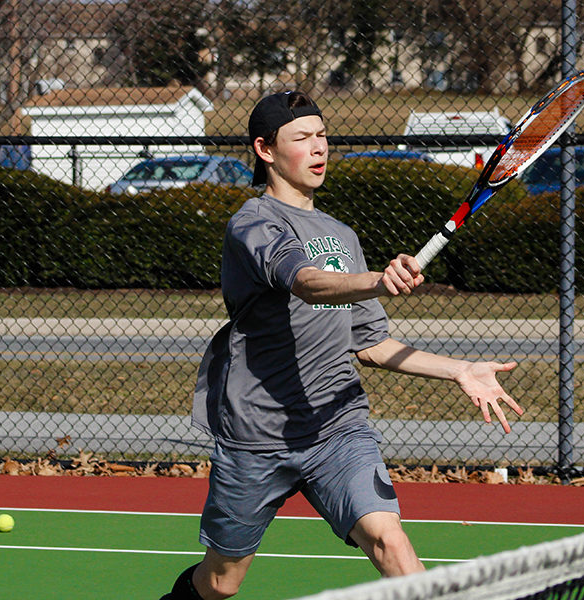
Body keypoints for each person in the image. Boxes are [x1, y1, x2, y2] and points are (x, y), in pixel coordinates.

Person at [160, 90, 523, 600]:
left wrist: (459, 369)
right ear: (265, 150)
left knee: (388, 538)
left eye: (322, 135)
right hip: (258, 433)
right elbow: (307, 281)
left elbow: (370, 343)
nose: (318, 148)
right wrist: (377, 280)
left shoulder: (341, 234)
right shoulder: (254, 224)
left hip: (337, 426)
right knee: (221, 582)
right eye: (302, 138)